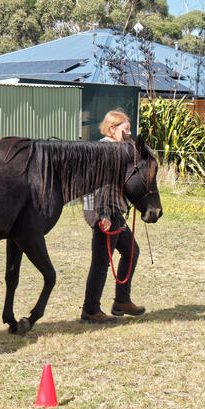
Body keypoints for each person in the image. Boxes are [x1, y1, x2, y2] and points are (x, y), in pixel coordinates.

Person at [81, 109, 145, 323]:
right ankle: (90, 310)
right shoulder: (103, 150)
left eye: (129, 130)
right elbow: (97, 186)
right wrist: (102, 215)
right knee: (100, 262)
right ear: (111, 129)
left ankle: (122, 301)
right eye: (125, 130)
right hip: (104, 213)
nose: (129, 134)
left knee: (131, 251)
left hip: (115, 211)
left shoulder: (117, 149)